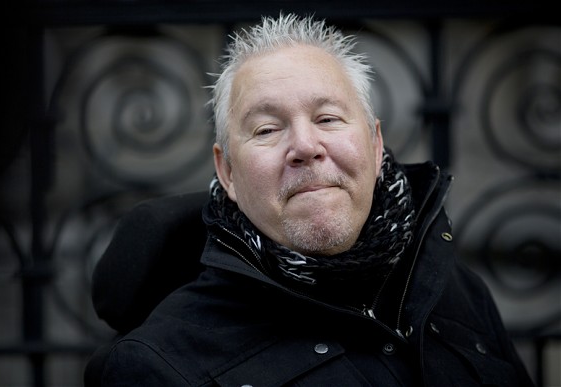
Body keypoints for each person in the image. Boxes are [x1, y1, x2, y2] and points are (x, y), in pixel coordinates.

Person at [93, 13, 535, 386]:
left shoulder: (452, 285)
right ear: (226, 171)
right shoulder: (156, 365)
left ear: (376, 144)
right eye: (267, 129)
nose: (305, 145)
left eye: (327, 118)